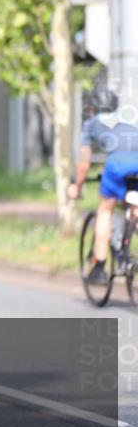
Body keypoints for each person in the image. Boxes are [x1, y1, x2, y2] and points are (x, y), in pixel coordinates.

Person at [68, 89, 138, 284]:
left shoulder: (91, 124)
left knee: (105, 209)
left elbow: (83, 163)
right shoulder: (128, 119)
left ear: (91, 108)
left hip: (117, 165)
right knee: (134, 206)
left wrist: (77, 185)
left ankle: (99, 266)